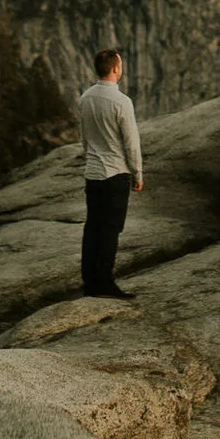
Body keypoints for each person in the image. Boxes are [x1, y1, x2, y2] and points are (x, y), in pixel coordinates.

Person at [78, 48, 144, 299]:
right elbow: (131, 143)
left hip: (93, 173)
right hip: (115, 173)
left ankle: (89, 282)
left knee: (92, 228)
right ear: (116, 69)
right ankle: (105, 283)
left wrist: (91, 159)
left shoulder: (85, 98)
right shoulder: (121, 102)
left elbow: (84, 137)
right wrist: (137, 174)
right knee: (110, 230)